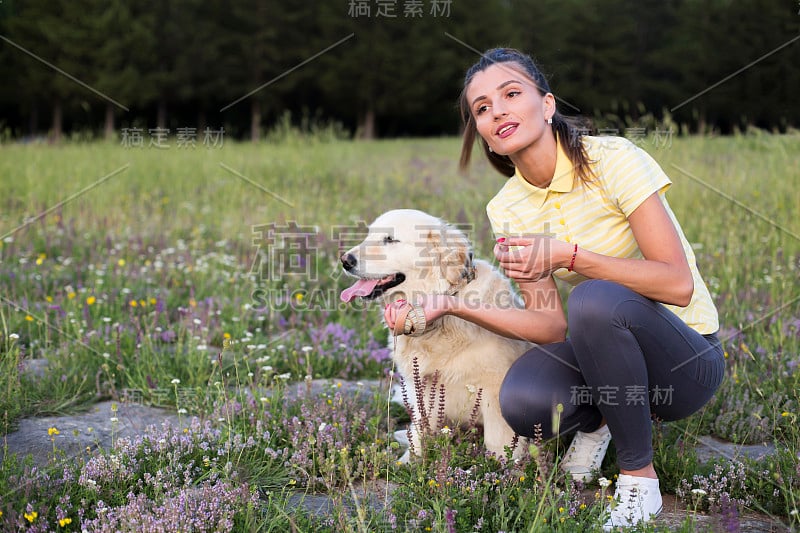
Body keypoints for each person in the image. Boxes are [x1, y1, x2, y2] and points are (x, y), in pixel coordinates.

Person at [384, 47, 724, 530]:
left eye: (511, 94)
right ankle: (602, 421)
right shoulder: (507, 208)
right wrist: (449, 304)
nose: (497, 111)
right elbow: (549, 324)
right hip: (607, 357)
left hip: (687, 362)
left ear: (547, 105)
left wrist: (568, 256)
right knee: (523, 399)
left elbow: (677, 283)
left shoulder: (615, 159)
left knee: (593, 296)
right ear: (483, 134)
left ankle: (638, 481)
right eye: (482, 109)